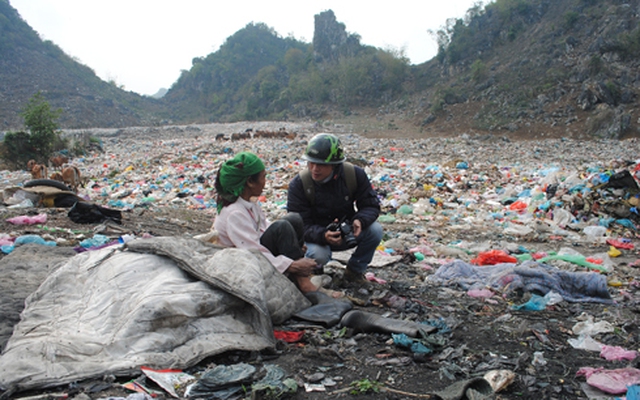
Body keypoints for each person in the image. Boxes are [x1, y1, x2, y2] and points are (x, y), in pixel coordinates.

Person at [212, 151, 337, 296]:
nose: (266, 181)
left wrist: (294, 243)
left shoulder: (249, 203)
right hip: (242, 262)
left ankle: (300, 276)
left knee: (293, 219)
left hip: (255, 252)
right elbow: (252, 251)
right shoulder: (235, 214)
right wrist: (290, 264)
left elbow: (264, 227)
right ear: (250, 182)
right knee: (282, 227)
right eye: (263, 177)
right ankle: (304, 284)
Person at [287, 133, 383, 286]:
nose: (315, 169)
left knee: (375, 230)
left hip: (347, 232)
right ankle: (315, 272)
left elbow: (371, 205)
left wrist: (360, 220)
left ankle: (354, 271)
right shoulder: (300, 184)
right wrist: (323, 235)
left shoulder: (354, 175)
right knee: (319, 254)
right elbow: (299, 225)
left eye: (321, 165)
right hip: (316, 239)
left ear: (335, 165)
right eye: (311, 163)